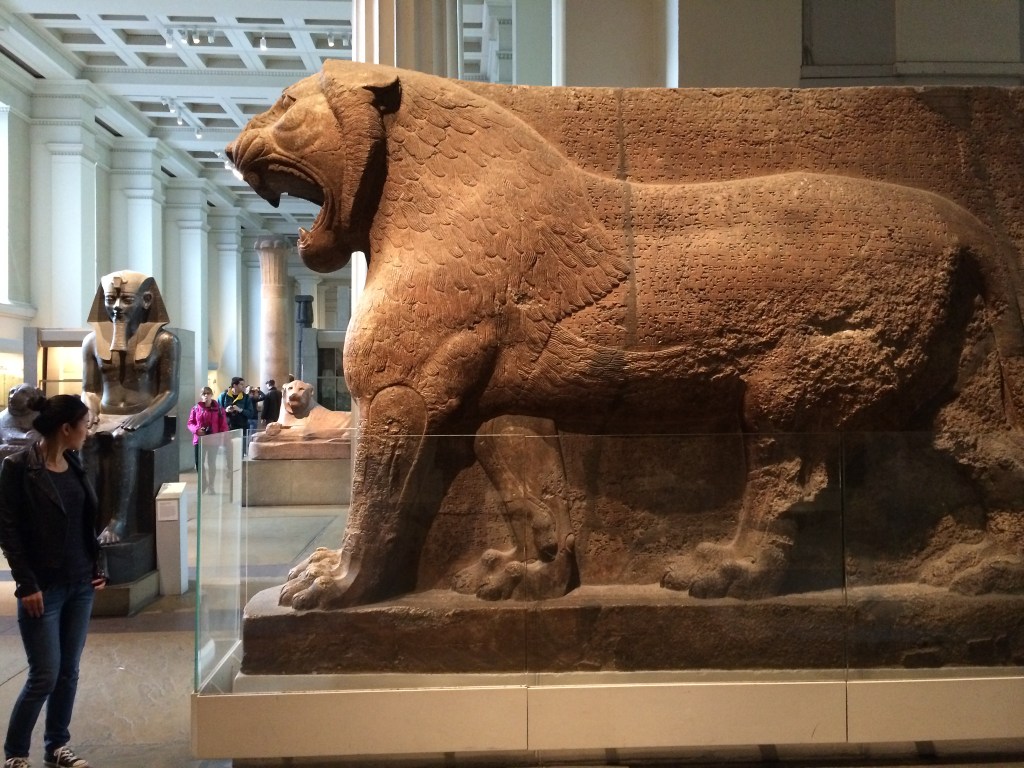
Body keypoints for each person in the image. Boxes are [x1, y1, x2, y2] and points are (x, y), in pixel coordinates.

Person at [0, 394, 107, 768]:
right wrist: (26, 584)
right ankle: (16, 752)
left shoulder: (75, 464)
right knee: (44, 674)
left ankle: (57, 745)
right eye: (84, 425)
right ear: (66, 428)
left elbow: (84, 523)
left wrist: (96, 566)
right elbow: (8, 530)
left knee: (68, 672)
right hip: (43, 589)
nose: (87, 432)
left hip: (80, 584)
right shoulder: (18, 467)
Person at [82, 270, 180, 545]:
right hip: (106, 414)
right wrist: (91, 409)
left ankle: (119, 520)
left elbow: (169, 393)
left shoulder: (164, 342)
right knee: (86, 440)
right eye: (110, 299)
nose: (116, 307)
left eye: (125, 300)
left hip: (148, 418)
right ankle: (89, 517)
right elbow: (89, 389)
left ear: (146, 300)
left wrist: (144, 416)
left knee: (122, 438)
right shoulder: (92, 342)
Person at [186, 387, 228, 493]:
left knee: (211, 463)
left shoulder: (219, 409)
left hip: (213, 440)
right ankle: (203, 483)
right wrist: (197, 430)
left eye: (208, 393)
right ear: (201, 395)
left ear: (211, 395)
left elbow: (223, 425)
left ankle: (211, 486)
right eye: (203, 394)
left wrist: (223, 439)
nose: (206, 395)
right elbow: (190, 423)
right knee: (199, 463)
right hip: (199, 440)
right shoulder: (196, 408)